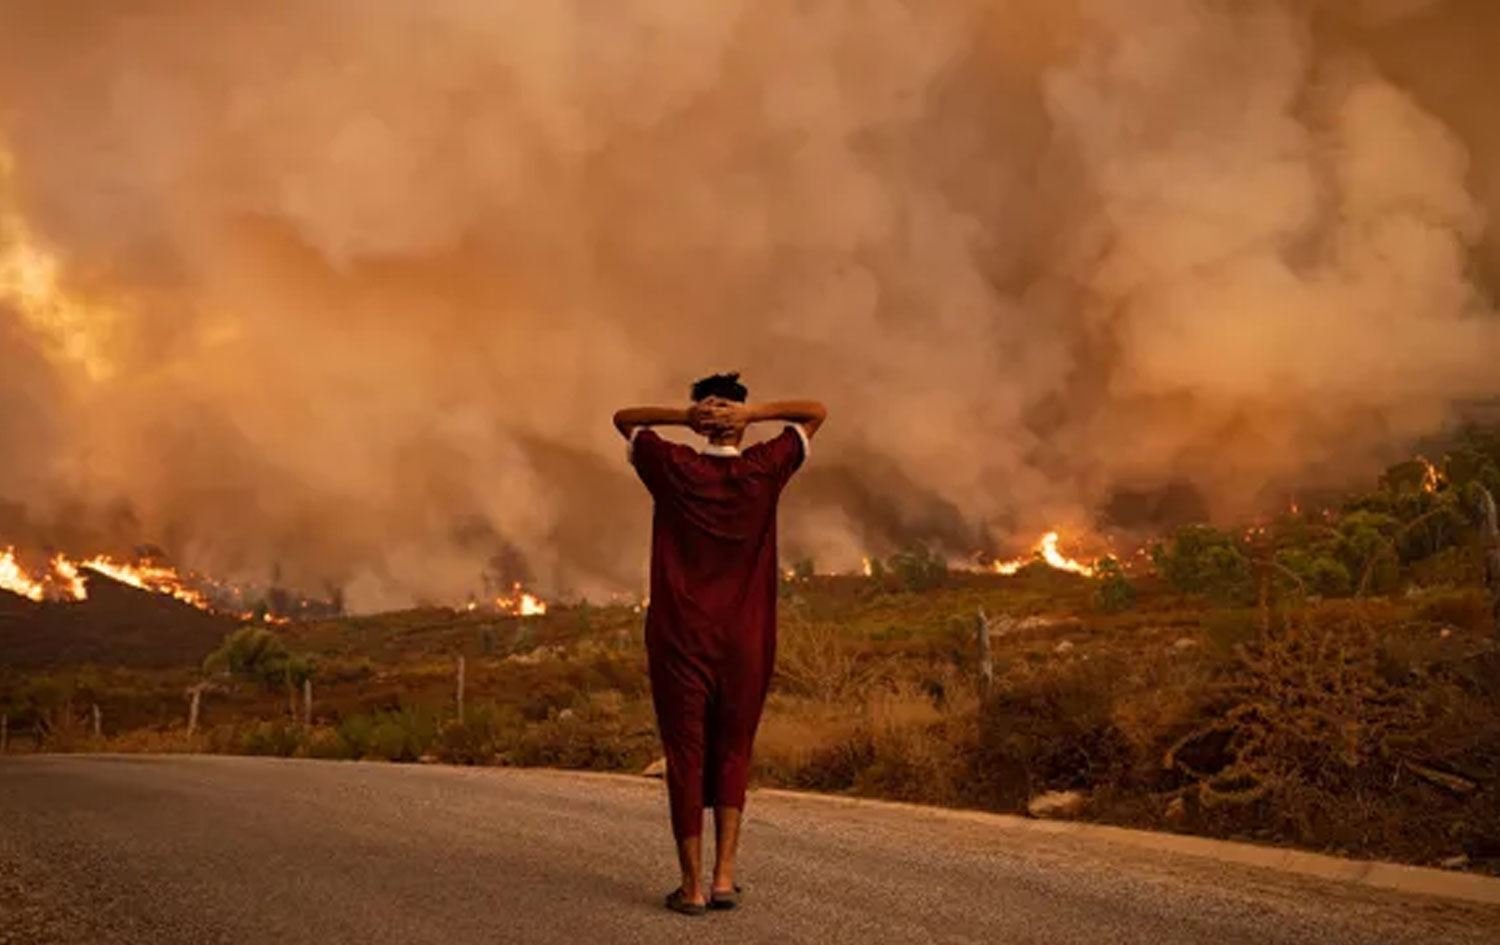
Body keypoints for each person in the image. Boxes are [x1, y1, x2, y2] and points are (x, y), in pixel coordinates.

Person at [613, 372, 827, 916]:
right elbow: (815, 411)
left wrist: (682, 419)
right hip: (747, 638)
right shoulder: (765, 468)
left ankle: (691, 889)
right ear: (737, 416)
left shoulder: (672, 466)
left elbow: (623, 419)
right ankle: (725, 878)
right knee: (734, 750)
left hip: (680, 636)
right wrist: (755, 416)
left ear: (702, 417)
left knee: (685, 754)